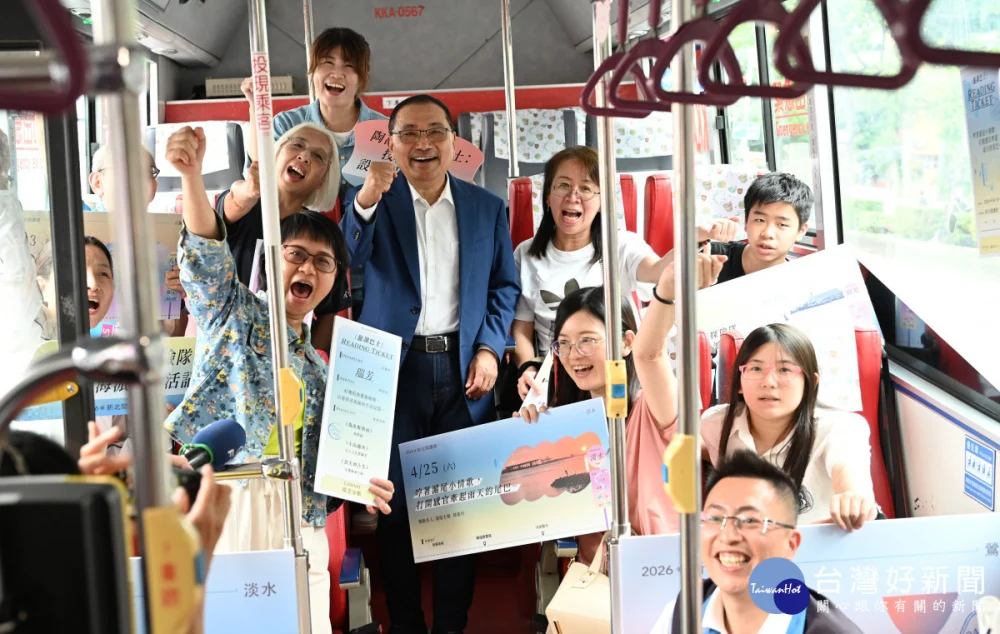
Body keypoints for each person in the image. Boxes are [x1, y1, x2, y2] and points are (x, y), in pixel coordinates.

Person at [162, 125, 394, 634]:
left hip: (303, 520)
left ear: (332, 282)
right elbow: (204, 255)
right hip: (233, 498)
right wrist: (192, 177)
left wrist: (365, 482)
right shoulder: (232, 313)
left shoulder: (324, 372)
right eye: (296, 255)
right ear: (271, 260)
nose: (308, 267)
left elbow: (339, 463)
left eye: (323, 262)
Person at [341, 94, 519, 634]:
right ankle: (406, 625)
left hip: (465, 371)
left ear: (453, 141)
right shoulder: (373, 199)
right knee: (394, 510)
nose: (423, 143)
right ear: (390, 143)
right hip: (393, 374)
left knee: (458, 512)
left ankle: (451, 626)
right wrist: (367, 197)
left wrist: (489, 348)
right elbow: (348, 255)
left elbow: (503, 287)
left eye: (435, 131)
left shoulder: (486, 207)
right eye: (409, 133)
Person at [515, 251, 725, 563]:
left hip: (661, 569)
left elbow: (650, 355)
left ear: (627, 342)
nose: (574, 354)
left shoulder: (654, 409)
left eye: (587, 340)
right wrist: (526, 442)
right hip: (595, 576)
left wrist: (667, 291)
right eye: (564, 343)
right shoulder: (565, 427)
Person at [512, 146, 738, 400]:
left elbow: (658, 270)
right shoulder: (525, 254)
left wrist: (693, 238)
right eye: (563, 185)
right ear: (548, 196)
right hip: (559, 376)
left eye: (586, 188)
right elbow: (522, 329)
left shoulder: (621, 245)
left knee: (623, 417)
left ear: (602, 202)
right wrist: (527, 368)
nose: (573, 196)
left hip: (617, 373)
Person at [649, 450, 862, 633]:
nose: (728, 536)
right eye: (715, 518)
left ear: (791, 544)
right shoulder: (680, 616)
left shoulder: (828, 629)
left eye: (750, 520)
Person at [698, 323, 878, 530]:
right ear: (739, 382)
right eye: (755, 368)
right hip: (748, 544)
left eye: (784, 369)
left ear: (811, 382)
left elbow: (848, 471)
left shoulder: (841, 428)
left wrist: (854, 500)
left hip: (819, 546)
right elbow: (698, 447)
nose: (769, 382)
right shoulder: (717, 424)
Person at [218, 121, 343, 351]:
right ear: (276, 153)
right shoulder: (243, 208)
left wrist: (306, 361)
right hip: (229, 350)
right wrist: (249, 191)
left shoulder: (322, 233)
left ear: (322, 180)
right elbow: (234, 201)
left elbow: (330, 311)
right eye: (297, 145)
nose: (304, 156)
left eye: (318, 156)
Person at [243, 27, 387, 191]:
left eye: (349, 65)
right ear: (312, 70)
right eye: (328, 63)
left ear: (362, 78)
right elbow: (260, 175)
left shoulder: (385, 132)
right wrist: (255, 107)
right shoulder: (287, 124)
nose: (337, 74)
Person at [709, 172, 813, 285]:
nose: (767, 233)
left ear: (801, 231)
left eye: (782, 224)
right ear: (746, 222)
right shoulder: (710, 256)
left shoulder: (800, 284)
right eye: (760, 220)